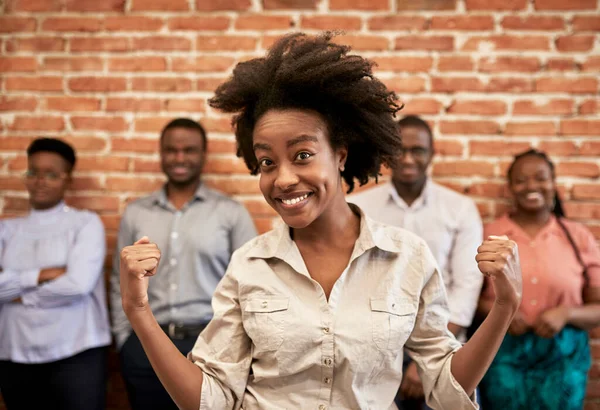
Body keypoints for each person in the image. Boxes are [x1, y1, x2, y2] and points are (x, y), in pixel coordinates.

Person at [118, 32, 522, 410]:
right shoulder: (249, 264)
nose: (284, 178)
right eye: (266, 162)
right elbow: (208, 400)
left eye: (303, 155)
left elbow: (446, 391)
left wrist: (504, 304)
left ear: (341, 155)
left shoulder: (406, 256)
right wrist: (138, 309)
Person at [110, 118, 257, 410]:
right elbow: (119, 280)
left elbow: (253, 281)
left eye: (189, 150)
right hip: (145, 343)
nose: (179, 158)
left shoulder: (230, 213)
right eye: (171, 150)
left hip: (212, 344)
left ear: (203, 155)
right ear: (161, 153)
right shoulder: (136, 213)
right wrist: (125, 339)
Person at [349, 115, 483, 408]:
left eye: (418, 150)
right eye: (399, 149)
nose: (408, 158)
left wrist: (429, 361)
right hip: (373, 349)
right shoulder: (360, 208)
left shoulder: (459, 209)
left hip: (444, 342)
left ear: (431, 154)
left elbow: (467, 286)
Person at [477, 149, 600, 410]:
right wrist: (502, 311)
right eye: (521, 180)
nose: (531, 186)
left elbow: (598, 308)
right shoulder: (490, 234)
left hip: (564, 358)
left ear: (553, 184)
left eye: (541, 178)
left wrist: (566, 314)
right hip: (502, 354)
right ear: (510, 188)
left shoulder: (578, 237)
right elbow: (468, 300)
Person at [0, 138, 110, 410]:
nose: (40, 181)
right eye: (33, 172)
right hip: (15, 354)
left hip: (77, 353)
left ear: (68, 179)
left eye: (51, 174)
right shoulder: (6, 231)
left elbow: (78, 285)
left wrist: (18, 293)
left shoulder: (85, 224)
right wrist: (42, 275)